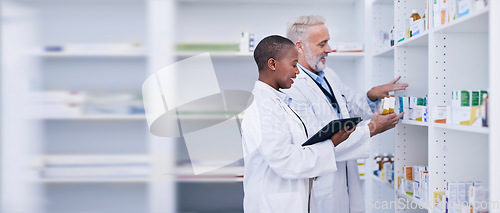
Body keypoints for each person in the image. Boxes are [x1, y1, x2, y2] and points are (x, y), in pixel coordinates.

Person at [282, 15, 408, 213]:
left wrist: (371, 95)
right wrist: (372, 129)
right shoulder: (293, 87)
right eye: (322, 43)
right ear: (300, 46)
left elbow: (348, 108)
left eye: (328, 42)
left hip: (345, 176)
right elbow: (319, 140)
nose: (329, 49)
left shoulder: (328, 75)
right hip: (322, 183)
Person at [241, 35, 368, 213]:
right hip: (273, 205)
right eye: (294, 65)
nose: (297, 72)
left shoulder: (279, 102)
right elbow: (284, 159)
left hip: (293, 200)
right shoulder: (263, 107)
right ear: (272, 64)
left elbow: (297, 146)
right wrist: (332, 143)